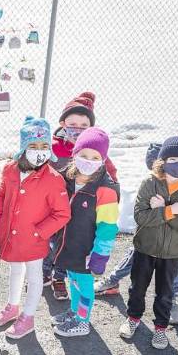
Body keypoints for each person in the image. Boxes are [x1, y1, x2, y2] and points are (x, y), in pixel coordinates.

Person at [95, 127, 178, 325]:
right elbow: (154, 168)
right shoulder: (166, 154)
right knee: (136, 259)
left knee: (172, 272)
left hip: (173, 240)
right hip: (150, 232)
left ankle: (171, 302)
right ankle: (113, 280)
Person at [0, 117, 71, 339]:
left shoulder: (54, 179)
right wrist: (0, 218)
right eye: (33, 146)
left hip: (35, 239)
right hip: (12, 236)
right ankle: (13, 307)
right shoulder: (9, 170)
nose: (39, 151)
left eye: (44, 146)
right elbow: (1, 195)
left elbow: (62, 213)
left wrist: (40, 232)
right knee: (15, 271)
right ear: (23, 147)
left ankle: (28, 318)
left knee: (34, 277)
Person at [119, 136, 178, 350]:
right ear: (162, 160)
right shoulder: (150, 183)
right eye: (173, 159)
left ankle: (160, 329)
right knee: (137, 287)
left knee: (165, 293)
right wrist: (172, 210)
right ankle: (133, 318)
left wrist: (165, 209)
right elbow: (141, 217)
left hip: (172, 253)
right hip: (145, 248)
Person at [45, 91, 118, 300]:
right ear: (62, 123)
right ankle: (45, 272)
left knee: (68, 246)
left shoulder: (95, 152)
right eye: (72, 124)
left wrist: (110, 196)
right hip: (54, 209)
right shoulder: (53, 147)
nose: (77, 129)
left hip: (80, 213)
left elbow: (111, 177)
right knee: (50, 244)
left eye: (83, 126)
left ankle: (59, 277)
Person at [50, 128, 120, 337]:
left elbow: (108, 227)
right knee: (74, 281)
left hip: (87, 251)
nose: (88, 160)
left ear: (102, 160)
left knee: (84, 285)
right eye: (84, 155)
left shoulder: (105, 190)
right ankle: (74, 312)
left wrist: (100, 254)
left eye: (95, 157)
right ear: (75, 154)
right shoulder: (67, 179)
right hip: (68, 245)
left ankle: (83, 321)